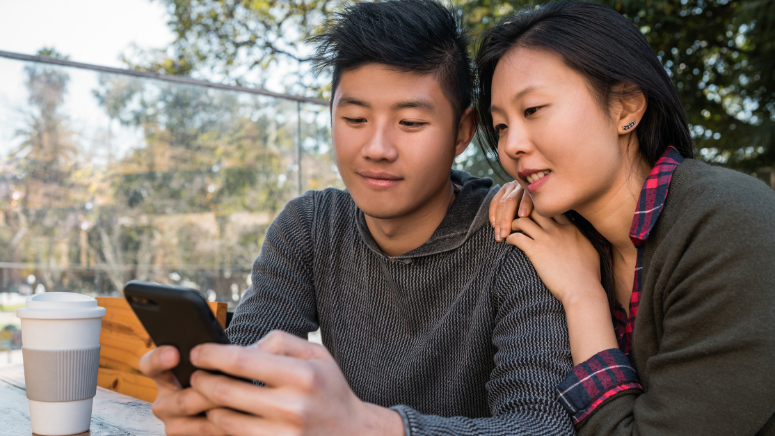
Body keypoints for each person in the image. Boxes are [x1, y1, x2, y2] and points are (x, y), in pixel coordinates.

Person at [138, 1, 575, 435]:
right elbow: (253, 355)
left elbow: (542, 426)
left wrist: (368, 426)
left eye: (409, 122)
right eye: (355, 118)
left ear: (462, 131)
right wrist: (214, 403)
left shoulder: (515, 231)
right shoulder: (310, 227)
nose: (377, 147)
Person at [476, 2, 775, 435]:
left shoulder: (727, 224)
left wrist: (583, 296)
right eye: (500, 126)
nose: (512, 146)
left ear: (626, 107)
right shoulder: (564, 236)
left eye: (534, 110)